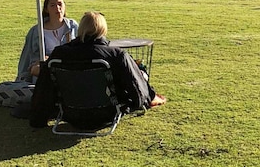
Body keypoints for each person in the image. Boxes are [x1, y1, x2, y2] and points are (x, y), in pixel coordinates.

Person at [29, 11, 166, 128]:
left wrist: (38, 117)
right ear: (102, 30)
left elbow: (44, 88)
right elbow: (135, 87)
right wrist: (147, 97)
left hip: (69, 113)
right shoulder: (115, 55)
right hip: (106, 112)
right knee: (139, 74)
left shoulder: (59, 54)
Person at [17, 0, 79, 83]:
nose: (57, 8)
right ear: (46, 9)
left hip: (67, 67)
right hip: (45, 69)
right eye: (52, 5)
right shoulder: (36, 31)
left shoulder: (72, 26)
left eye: (60, 4)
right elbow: (27, 57)